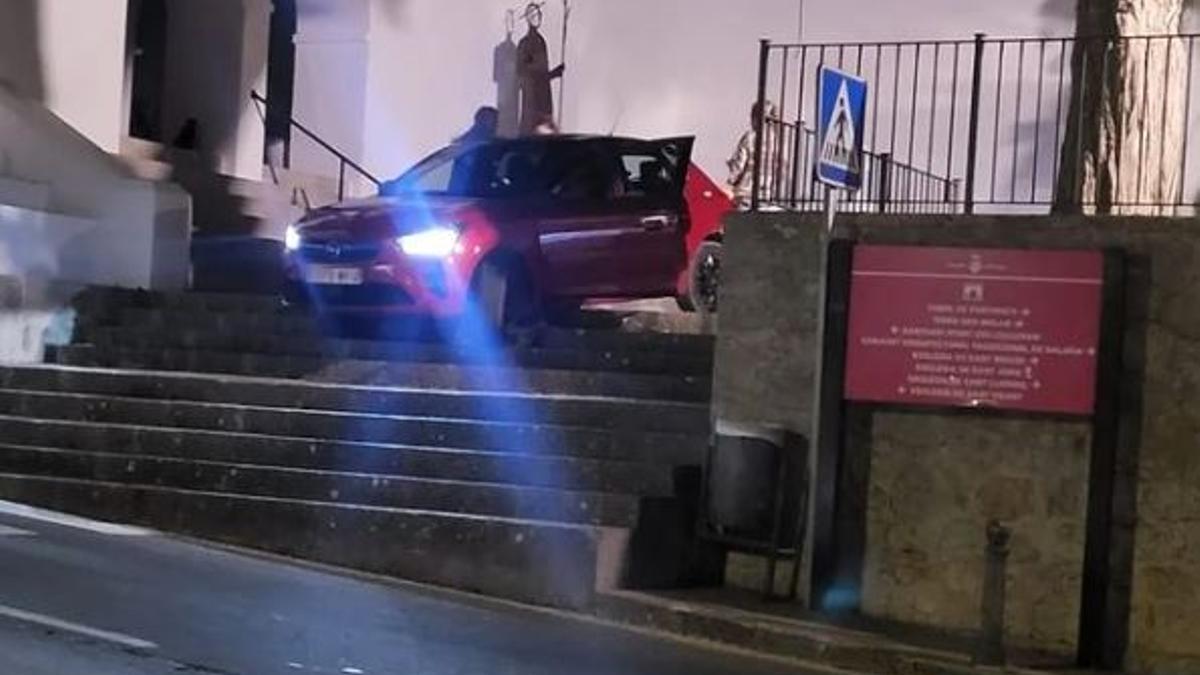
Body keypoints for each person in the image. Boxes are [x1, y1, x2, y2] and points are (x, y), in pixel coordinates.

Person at [516, 3, 564, 136]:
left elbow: (540, 71)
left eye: (538, 15)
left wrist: (553, 74)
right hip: (532, 97)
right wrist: (552, 74)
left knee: (546, 128)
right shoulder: (524, 44)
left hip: (543, 95)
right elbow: (524, 71)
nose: (536, 18)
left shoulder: (541, 41)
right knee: (533, 129)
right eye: (532, 15)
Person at [726, 100, 783, 208]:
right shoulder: (778, 141)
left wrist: (730, 182)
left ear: (756, 118)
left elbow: (739, 165)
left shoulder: (750, 137)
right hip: (767, 193)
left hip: (746, 191)